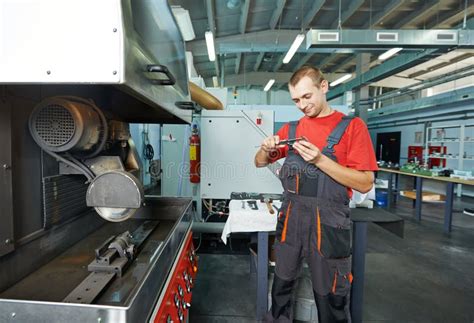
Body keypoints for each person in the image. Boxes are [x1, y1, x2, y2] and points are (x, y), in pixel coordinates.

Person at [254, 65, 378, 323]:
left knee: (330, 296)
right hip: (291, 220)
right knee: (281, 290)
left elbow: (365, 183)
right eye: (296, 100)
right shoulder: (290, 129)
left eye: (307, 97)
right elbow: (258, 162)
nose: (301, 105)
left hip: (329, 225)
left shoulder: (352, 127)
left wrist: (321, 160)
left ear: (324, 87)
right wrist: (265, 148)